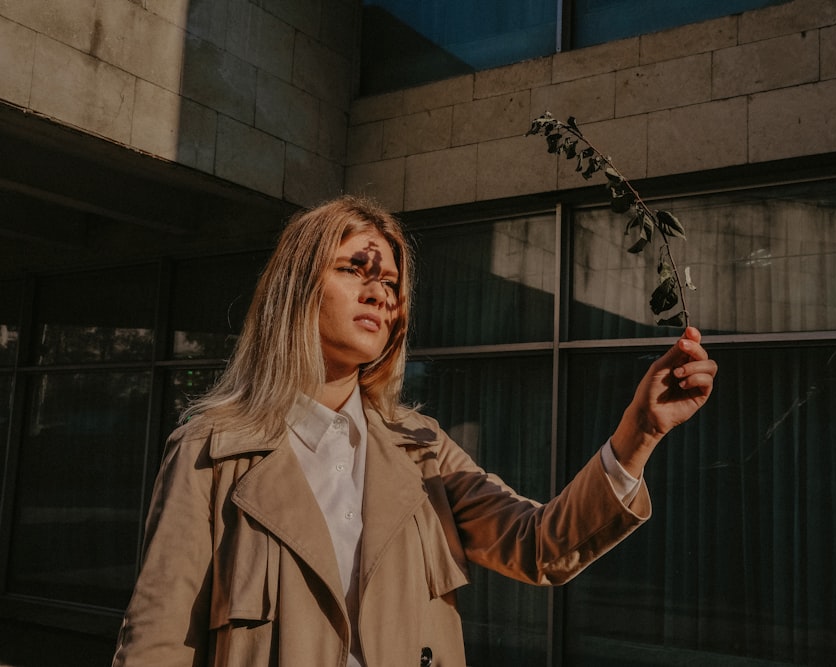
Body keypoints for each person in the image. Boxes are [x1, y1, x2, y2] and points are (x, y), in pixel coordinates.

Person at [112, 195, 717, 667]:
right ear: (297, 287)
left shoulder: (423, 450)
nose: (381, 291)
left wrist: (640, 431)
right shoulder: (211, 452)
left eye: (394, 284)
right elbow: (157, 647)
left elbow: (541, 546)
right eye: (357, 268)